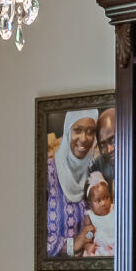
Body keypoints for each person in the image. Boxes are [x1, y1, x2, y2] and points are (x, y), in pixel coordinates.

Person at [45, 110, 97, 256]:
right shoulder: (47, 172)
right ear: (68, 131)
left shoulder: (93, 176)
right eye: (78, 130)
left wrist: (86, 238)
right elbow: (33, 238)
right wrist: (72, 246)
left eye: (90, 132)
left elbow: (91, 232)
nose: (84, 138)